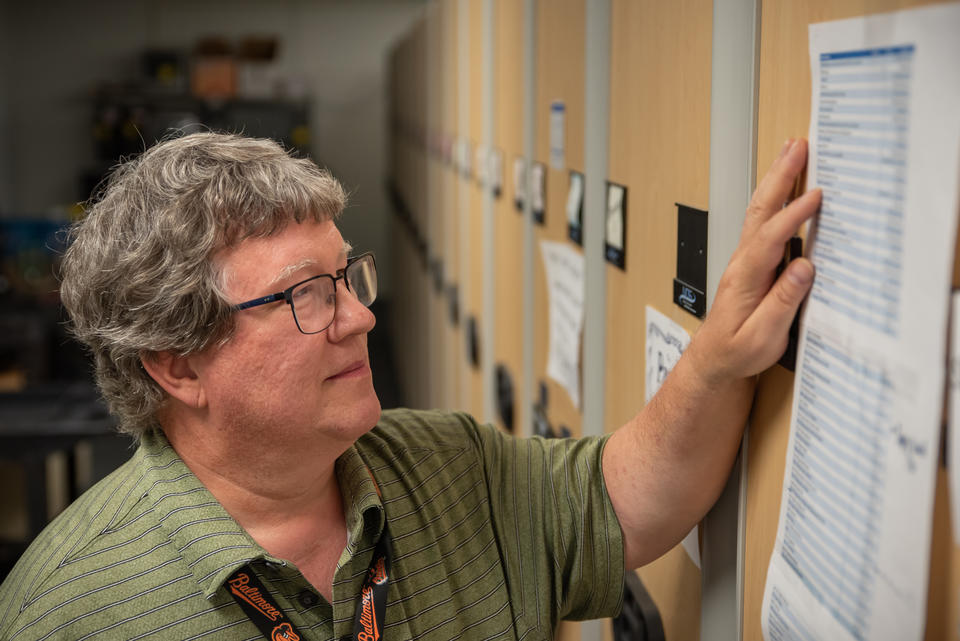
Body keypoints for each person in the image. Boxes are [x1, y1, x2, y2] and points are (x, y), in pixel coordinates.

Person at [0, 133, 819, 640]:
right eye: (305, 295)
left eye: (348, 276)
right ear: (177, 364)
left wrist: (715, 359)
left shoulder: (442, 462)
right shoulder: (66, 612)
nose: (358, 317)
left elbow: (627, 500)